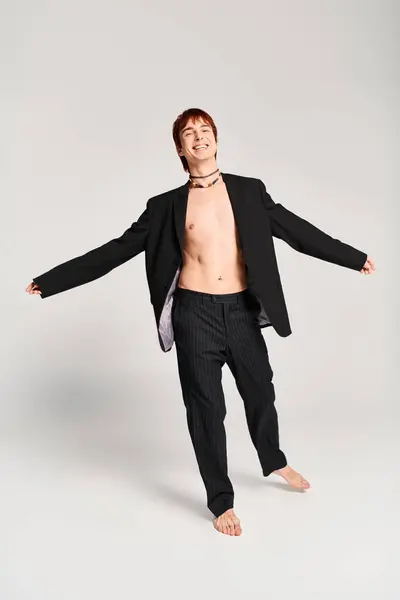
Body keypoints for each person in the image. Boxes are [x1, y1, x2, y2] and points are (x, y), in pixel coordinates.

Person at [26, 107, 376, 537]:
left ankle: (273, 458)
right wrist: (51, 281)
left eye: (205, 130)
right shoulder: (165, 207)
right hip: (195, 314)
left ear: (216, 139)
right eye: (189, 133)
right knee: (205, 408)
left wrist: (352, 257)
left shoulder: (249, 192)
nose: (198, 137)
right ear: (180, 148)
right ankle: (221, 500)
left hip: (242, 311)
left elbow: (296, 230)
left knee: (260, 390)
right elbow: (114, 251)